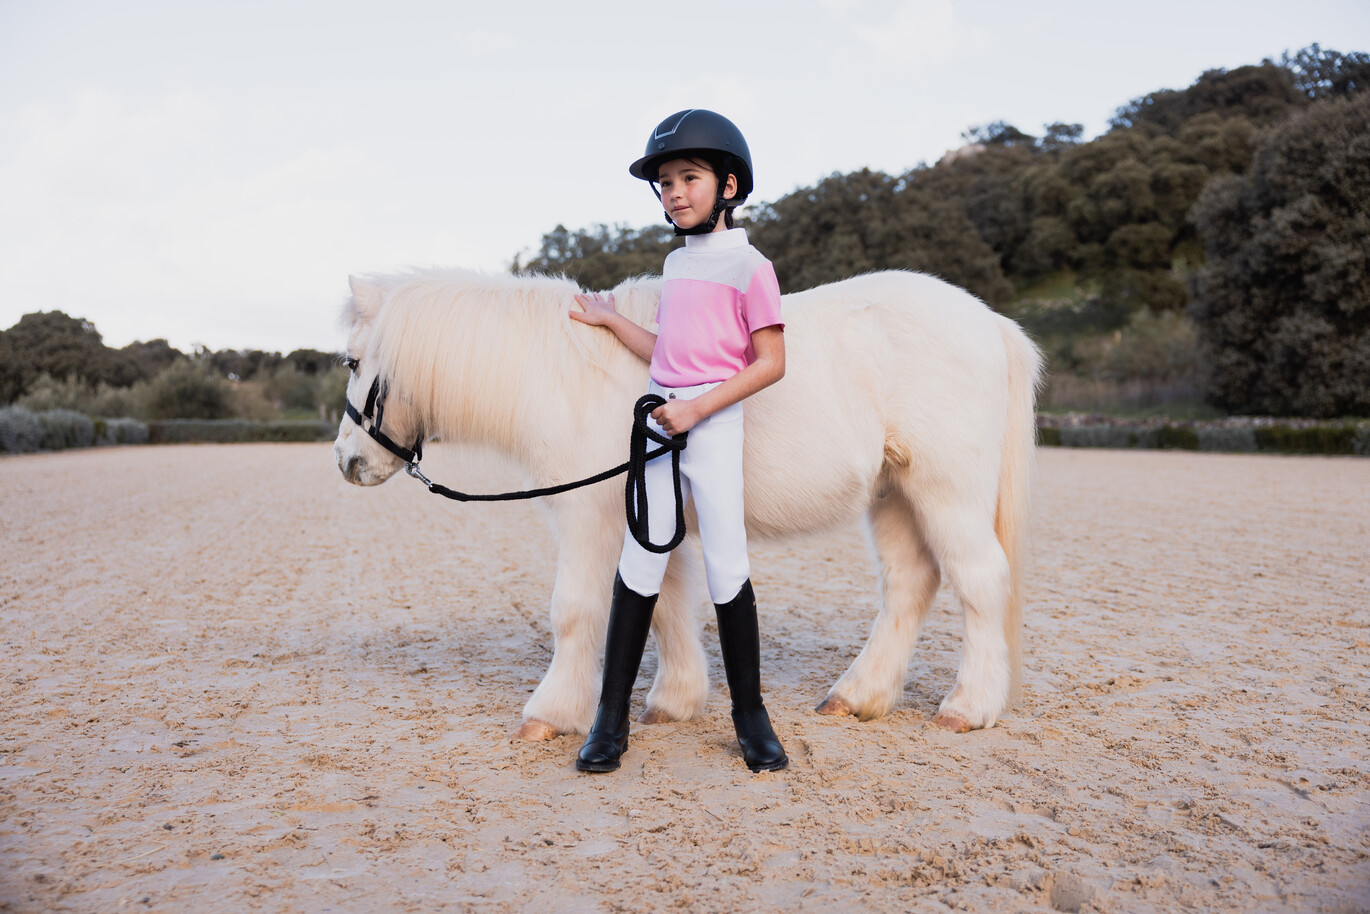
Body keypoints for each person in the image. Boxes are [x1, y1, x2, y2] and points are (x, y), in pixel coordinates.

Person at [568, 109, 789, 774]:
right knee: (640, 561)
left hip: (712, 425)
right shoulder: (675, 263)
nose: (674, 192)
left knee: (726, 564)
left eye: (688, 178)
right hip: (662, 424)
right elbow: (667, 348)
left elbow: (771, 361)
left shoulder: (751, 267)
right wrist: (609, 321)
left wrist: (698, 409)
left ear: (727, 185)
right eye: (665, 182)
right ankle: (611, 718)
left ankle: (750, 716)